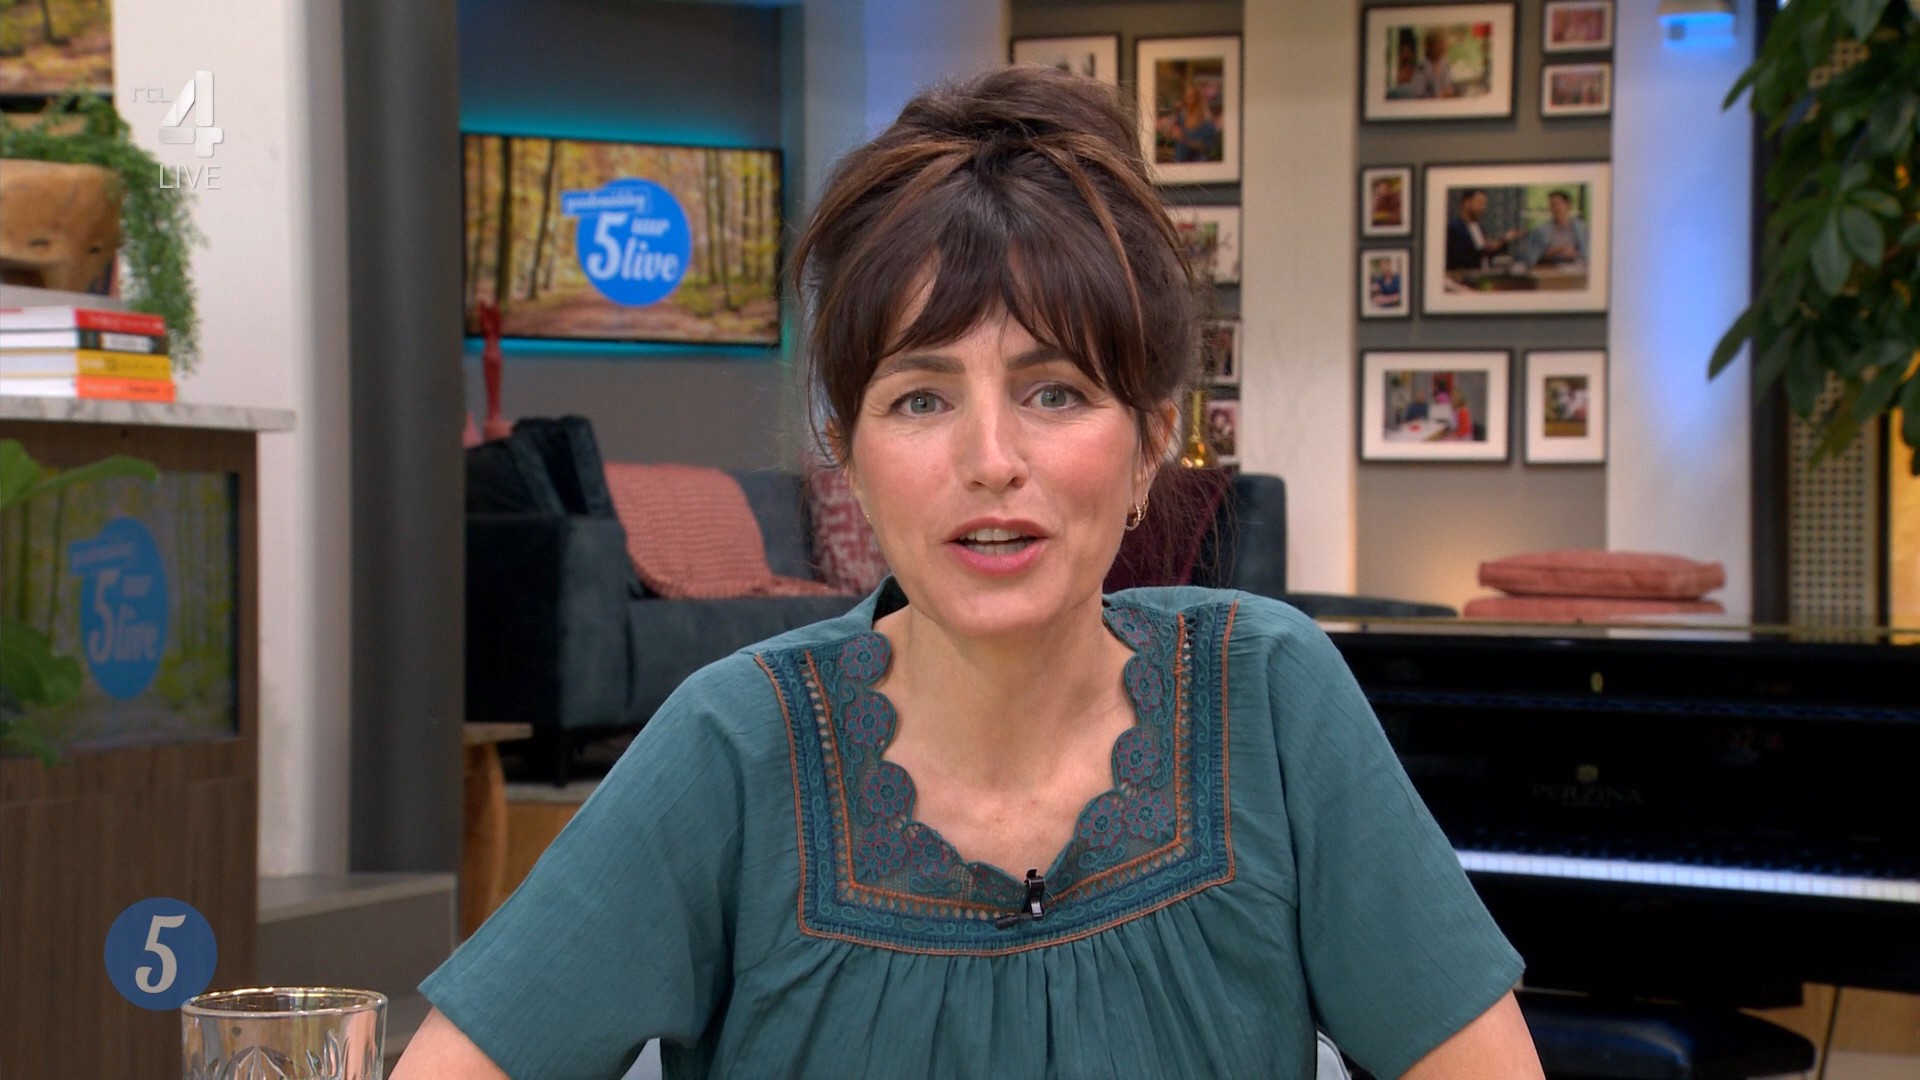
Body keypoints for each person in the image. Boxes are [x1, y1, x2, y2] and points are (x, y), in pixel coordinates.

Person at [394, 65, 1543, 1080]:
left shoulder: (1272, 699)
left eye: (1055, 391)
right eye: (920, 399)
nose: (991, 460)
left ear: (1151, 440)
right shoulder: (730, 750)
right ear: (847, 450)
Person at [1445, 188, 1523, 273]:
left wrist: (1505, 240)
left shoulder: (1479, 227)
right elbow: (1471, 257)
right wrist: (1500, 242)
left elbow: (1486, 252)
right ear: (1467, 203)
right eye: (1480, 203)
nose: (1483, 208)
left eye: (1484, 204)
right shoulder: (1454, 229)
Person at [1514, 190, 1589, 270]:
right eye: (1552, 205)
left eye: (1558, 204)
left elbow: (1588, 254)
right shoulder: (1541, 231)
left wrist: (1575, 253)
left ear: (1568, 205)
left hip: (1575, 270)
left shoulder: (1581, 229)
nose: (1555, 208)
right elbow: (1530, 258)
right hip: (1548, 270)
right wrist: (1552, 252)